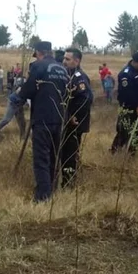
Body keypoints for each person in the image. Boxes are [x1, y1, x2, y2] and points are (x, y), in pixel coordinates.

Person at [18, 41, 69, 202]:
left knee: (41, 157)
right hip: (59, 118)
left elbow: (28, 90)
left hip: (42, 118)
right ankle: (52, 189)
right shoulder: (62, 69)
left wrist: (19, 96)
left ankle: (43, 196)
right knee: (54, 156)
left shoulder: (38, 66)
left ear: (39, 52)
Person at [110, 52, 138, 155]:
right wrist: (136, 106)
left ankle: (131, 152)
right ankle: (115, 151)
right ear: (136, 62)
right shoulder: (125, 74)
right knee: (124, 131)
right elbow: (127, 93)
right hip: (128, 107)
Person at [59, 48, 92, 188]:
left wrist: (74, 115)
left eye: (67, 59)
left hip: (74, 124)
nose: (64, 61)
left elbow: (85, 99)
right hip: (65, 122)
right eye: (64, 58)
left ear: (76, 61)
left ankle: (69, 183)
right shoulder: (67, 75)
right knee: (64, 153)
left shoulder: (80, 78)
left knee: (70, 154)